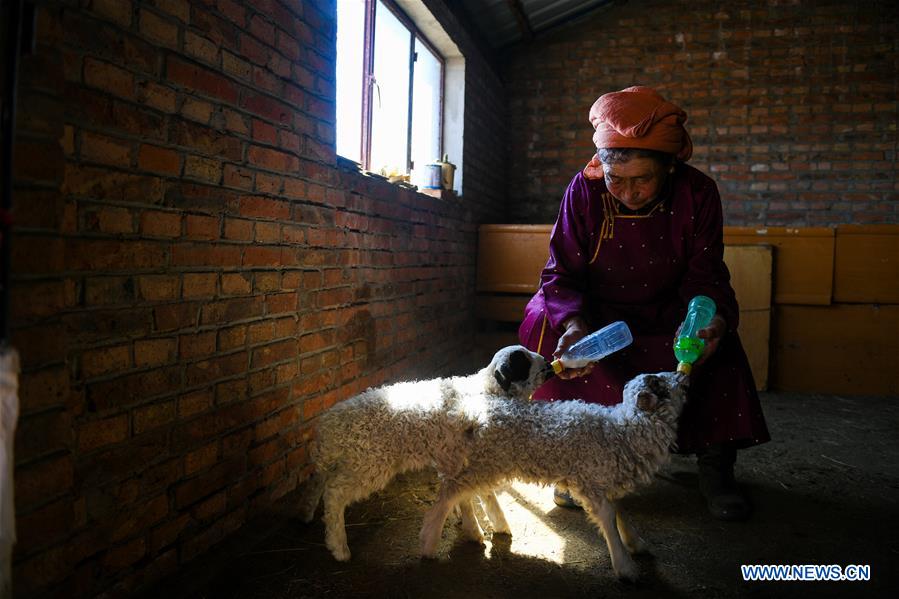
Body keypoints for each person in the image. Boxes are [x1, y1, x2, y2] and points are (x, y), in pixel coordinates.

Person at [518, 86, 770, 521]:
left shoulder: (699, 193)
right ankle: (572, 464)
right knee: (545, 321)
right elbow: (561, 271)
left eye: (643, 180)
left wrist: (710, 320)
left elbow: (705, 274)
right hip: (596, 310)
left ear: (670, 167)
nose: (628, 193)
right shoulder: (585, 189)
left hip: (667, 307)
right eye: (617, 180)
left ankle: (716, 467)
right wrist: (574, 325)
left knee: (716, 339)